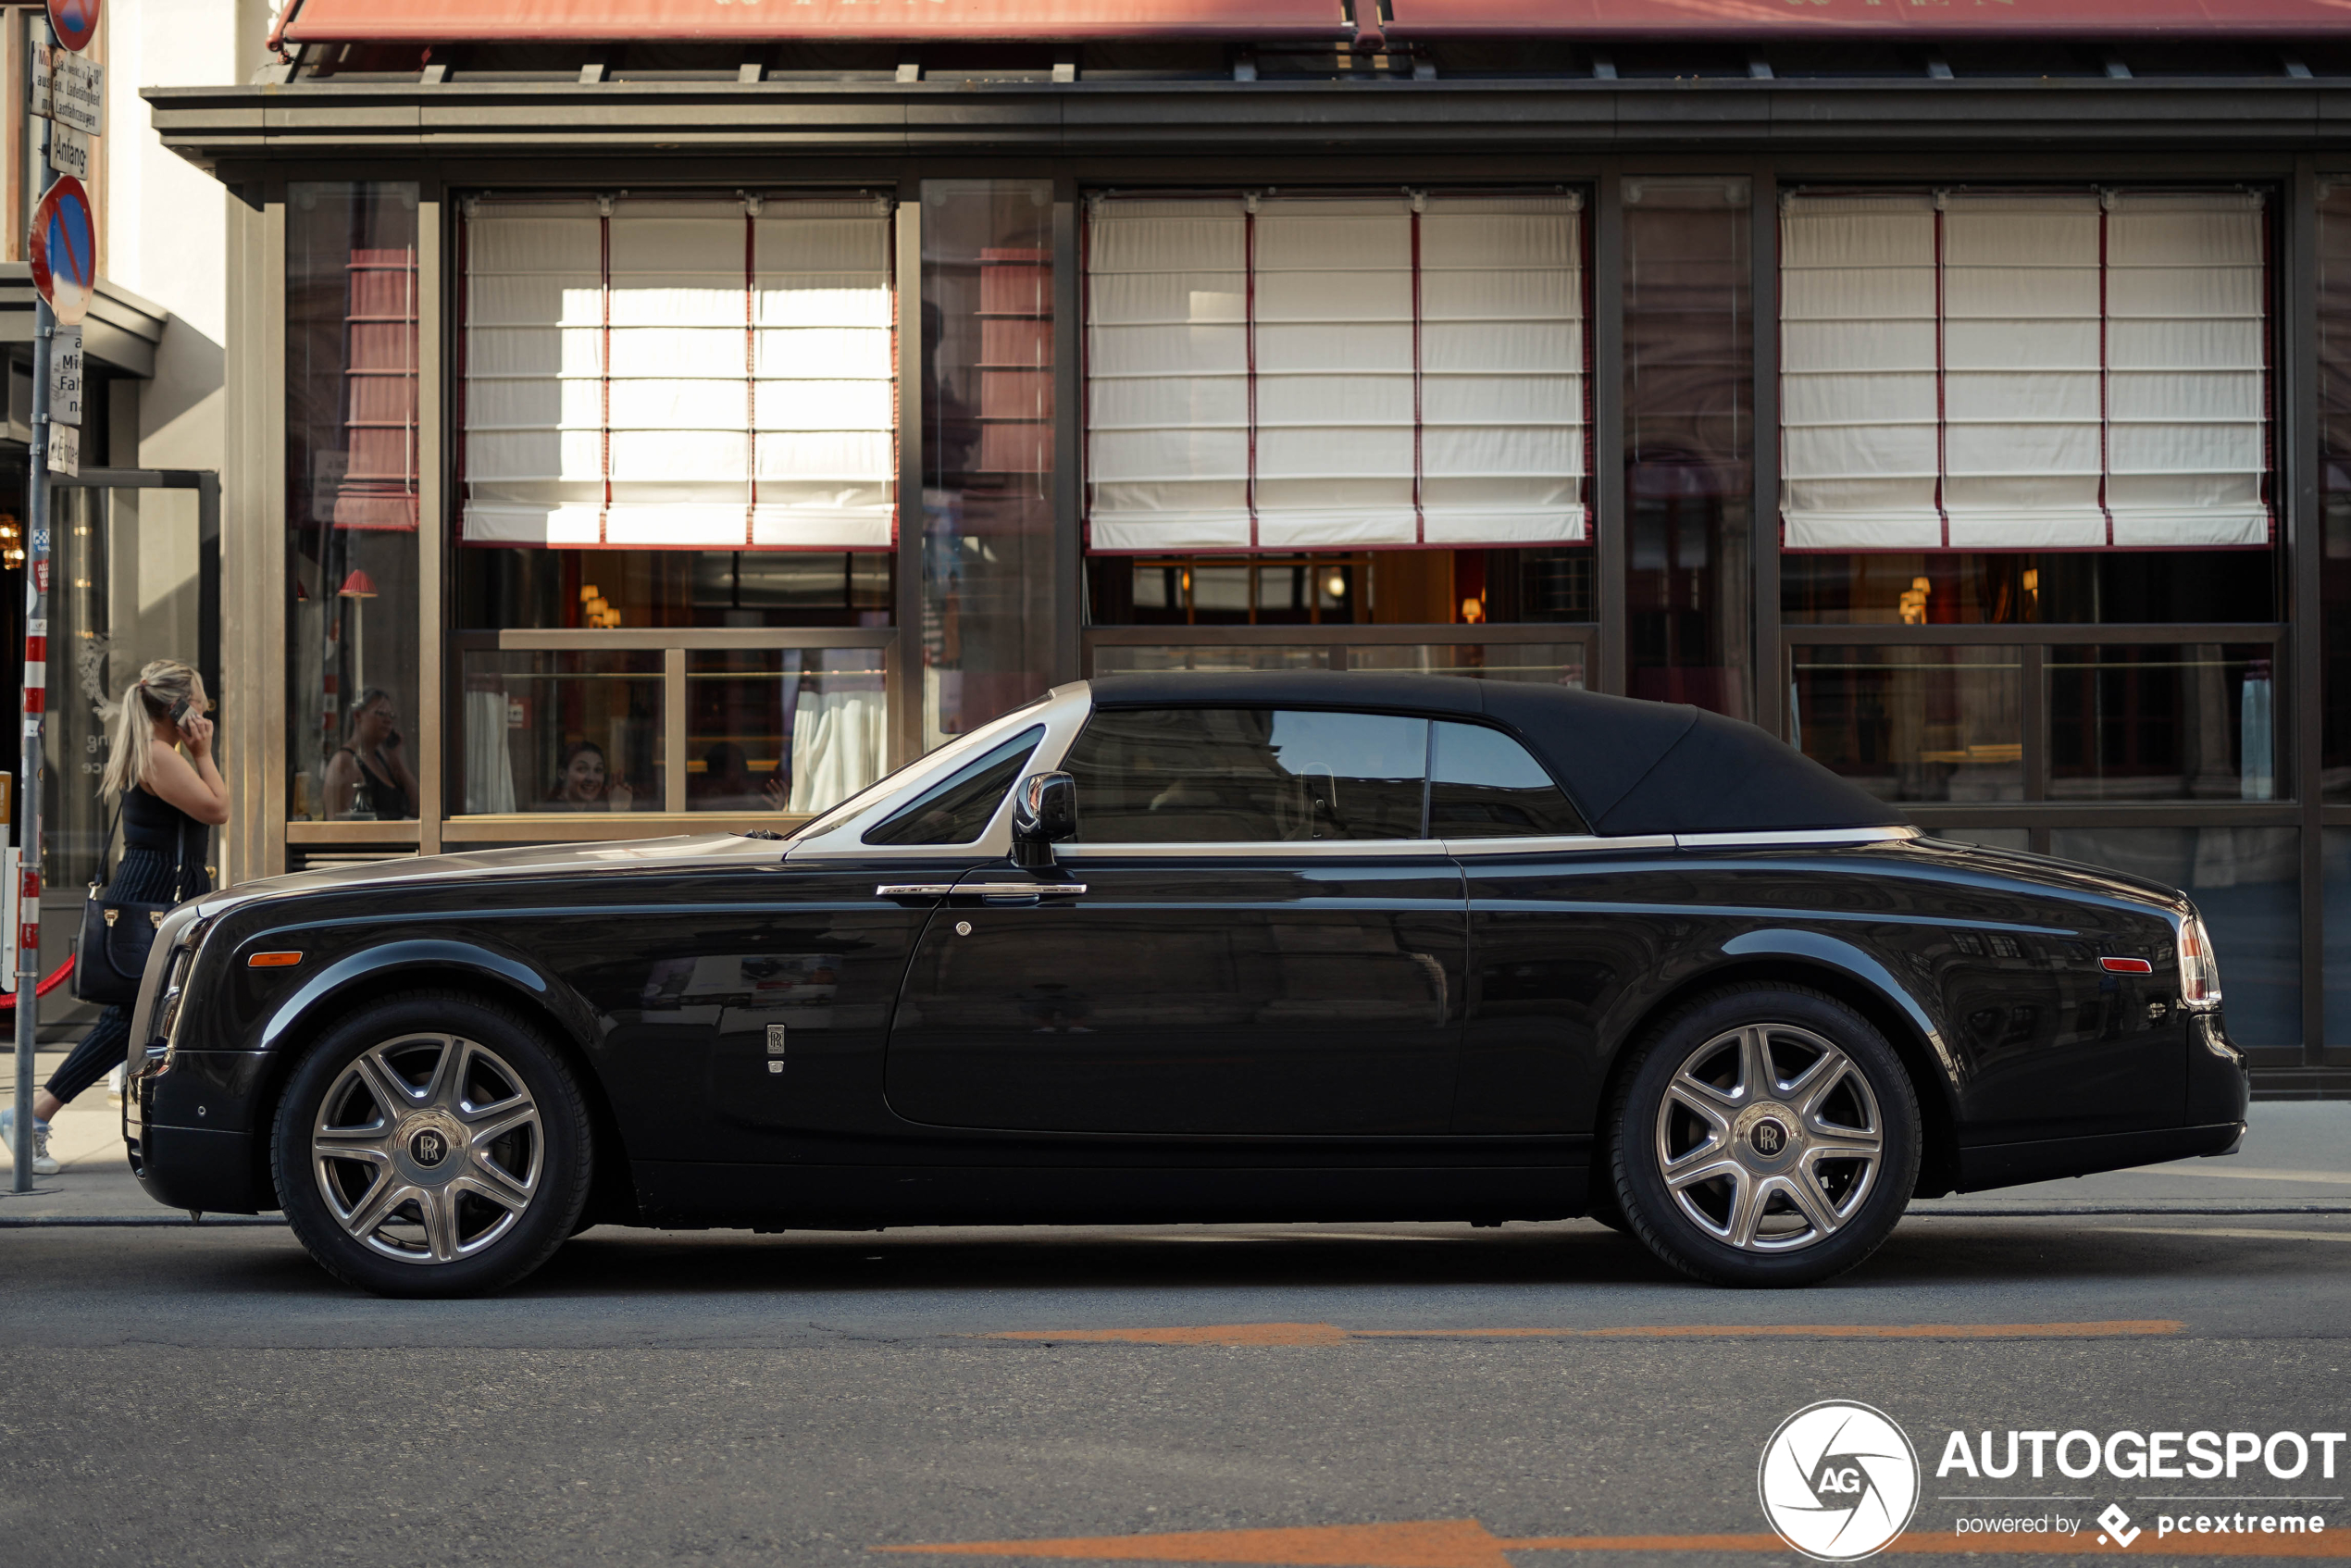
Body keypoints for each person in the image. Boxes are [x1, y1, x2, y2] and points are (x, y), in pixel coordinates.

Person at [1, 660, 228, 1176]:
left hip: (160, 891)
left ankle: (160, 1127)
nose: (205, 707)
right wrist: (204, 753)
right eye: (198, 698)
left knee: (161, 1018)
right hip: (153, 897)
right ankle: (31, 1117)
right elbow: (218, 808)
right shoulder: (158, 756)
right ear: (176, 706)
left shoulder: (156, 752)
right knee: (133, 1019)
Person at [322, 687, 417, 820]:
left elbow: (418, 809)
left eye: (391, 716)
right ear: (358, 715)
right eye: (381, 713)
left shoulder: (383, 760)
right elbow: (337, 822)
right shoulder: (345, 761)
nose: (388, 720)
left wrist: (396, 761)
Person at [546, 740, 633, 811]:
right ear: (562, 773)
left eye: (598, 770)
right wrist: (619, 810)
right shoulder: (552, 812)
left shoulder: (591, 811)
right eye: (582, 769)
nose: (591, 778)